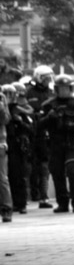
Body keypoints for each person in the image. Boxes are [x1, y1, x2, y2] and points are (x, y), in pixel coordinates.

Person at [39, 75, 74, 213]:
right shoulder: (48, 105)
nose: (64, 91)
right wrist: (49, 117)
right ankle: (62, 203)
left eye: (66, 88)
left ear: (71, 88)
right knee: (57, 173)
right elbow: (39, 125)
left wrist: (73, 125)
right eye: (61, 88)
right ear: (56, 89)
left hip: (73, 142)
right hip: (55, 143)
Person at [26, 65, 54, 209]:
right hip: (31, 133)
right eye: (45, 78)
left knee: (44, 164)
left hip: (45, 133)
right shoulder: (29, 92)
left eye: (50, 78)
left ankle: (44, 196)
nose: (48, 80)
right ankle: (31, 194)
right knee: (30, 166)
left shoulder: (51, 93)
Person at [6, 84, 33, 215]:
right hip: (5, 145)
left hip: (17, 146)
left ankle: (20, 203)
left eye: (11, 95)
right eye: (6, 95)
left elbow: (31, 128)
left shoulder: (20, 110)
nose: (8, 98)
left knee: (18, 175)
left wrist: (19, 121)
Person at [0, 89, 11, 222]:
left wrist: (1, 108)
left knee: (2, 178)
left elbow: (6, 119)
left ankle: (6, 209)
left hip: (0, 143)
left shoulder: (1, 96)